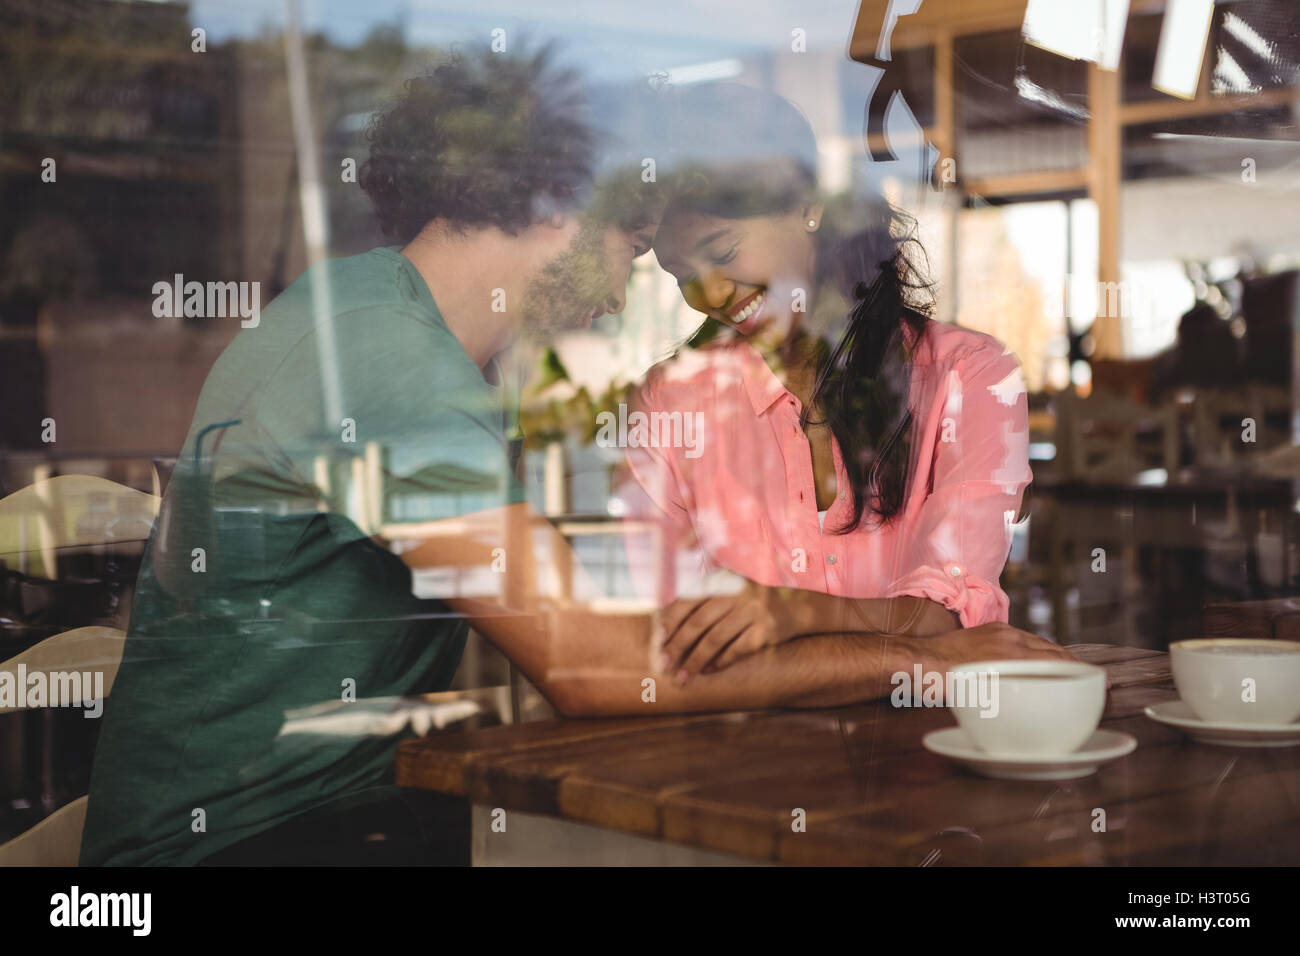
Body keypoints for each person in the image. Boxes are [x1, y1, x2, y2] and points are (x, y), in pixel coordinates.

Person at [80, 57, 1071, 867]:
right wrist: (916, 662)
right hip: (243, 847)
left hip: (332, 817)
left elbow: (611, 628)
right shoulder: (390, 366)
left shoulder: (377, 321)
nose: (647, 278)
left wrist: (835, 625)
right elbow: (596, 669)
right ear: (557, 202)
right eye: (637, 242)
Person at [617, 82, 1074, 682]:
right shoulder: (667, 404)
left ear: (807, 204)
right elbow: (680, 648)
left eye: (722, 250)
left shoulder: (972, 379)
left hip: (925, 751)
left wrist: (790, 616)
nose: (711, 297)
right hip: (735, 752)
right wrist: (904, 652)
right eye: (681, 275)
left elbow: (952, 611)